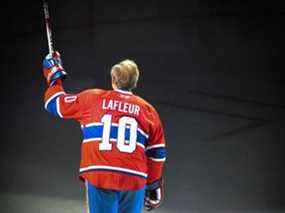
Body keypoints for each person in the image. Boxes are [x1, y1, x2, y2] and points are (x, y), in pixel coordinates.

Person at [42, 51, 167, 213]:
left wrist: (53, 76)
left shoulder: (92, 99)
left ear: (113, 80)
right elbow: (157, 154)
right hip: (134, 178)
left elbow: (54, 103)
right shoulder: (148, 111)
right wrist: (153, 185)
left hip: (100, 174)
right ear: (135, 82)